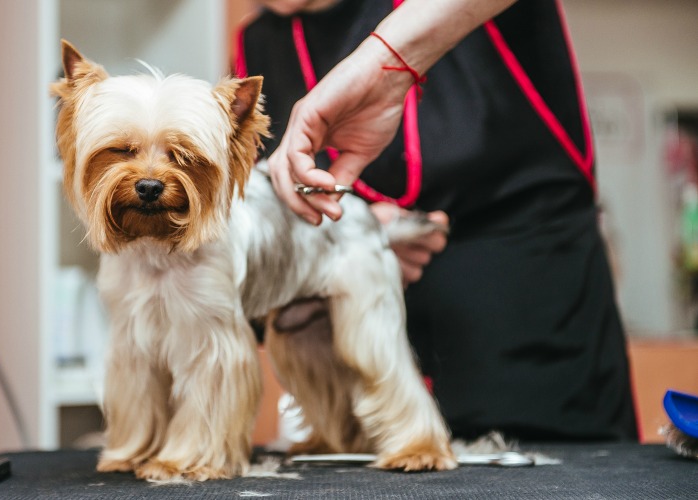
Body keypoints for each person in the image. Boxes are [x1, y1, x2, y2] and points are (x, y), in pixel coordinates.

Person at [237, 0, 638, 441]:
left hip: (529, 329)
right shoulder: (255, 45)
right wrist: (358, 232)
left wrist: (387, 60)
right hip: (359, 375)